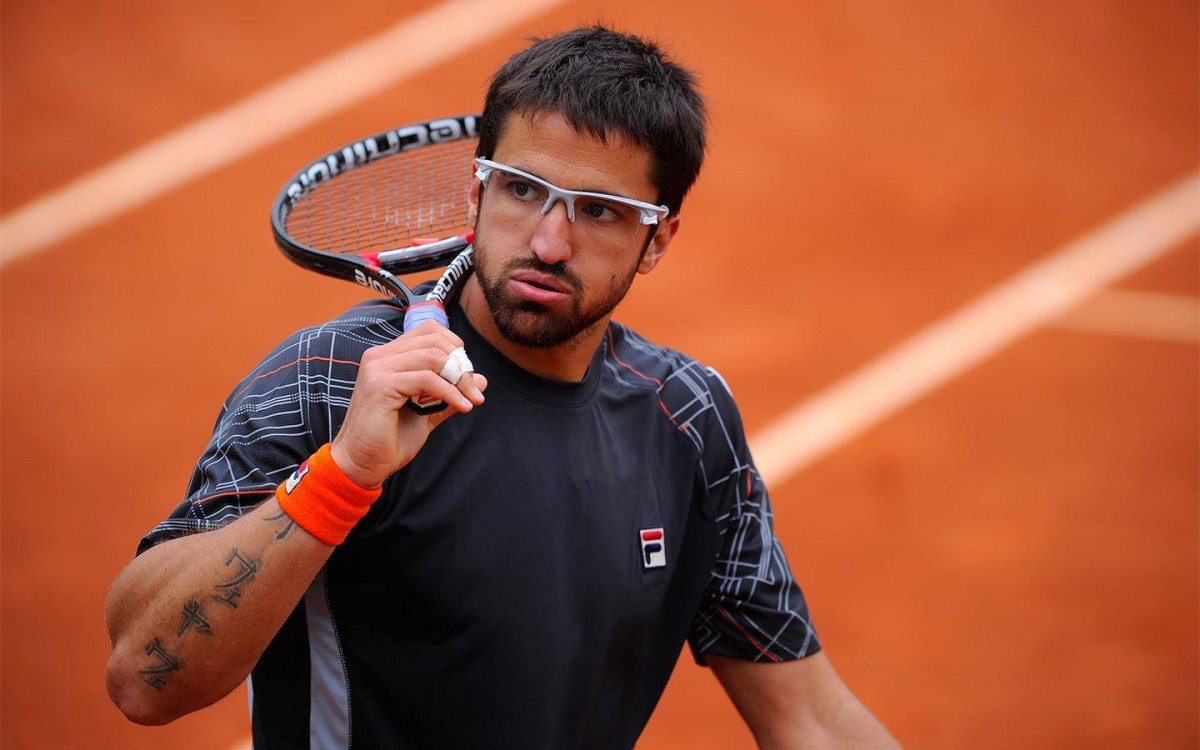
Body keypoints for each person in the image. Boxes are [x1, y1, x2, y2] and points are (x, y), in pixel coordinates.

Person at [105, 25, 899, 749]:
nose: (549, 242)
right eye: (522, 189)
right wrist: (343, 476)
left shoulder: (685, 419)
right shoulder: (334, 380)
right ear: (476, 190)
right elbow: (144, 679)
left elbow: (807, 716)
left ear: (657, 240)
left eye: (599, 211)